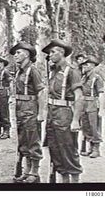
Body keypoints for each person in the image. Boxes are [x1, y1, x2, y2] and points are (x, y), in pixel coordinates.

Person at [42, 39, 84, 183]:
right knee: (55, 149)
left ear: (62, 53)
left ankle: (75, 182)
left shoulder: (72, 71)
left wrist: (75, 120)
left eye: (53, 52)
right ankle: (64, 181)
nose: (50, 55)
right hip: (52, 114)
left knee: (68, 149)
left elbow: (79, 97)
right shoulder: (52, 71)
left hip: (65, 114)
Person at [9, 42, 45, 183]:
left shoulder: (33, 71)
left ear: (27, 54)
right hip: (19, 108)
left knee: (32, 140)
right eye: (15, 53)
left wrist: (41, 113)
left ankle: (35, 173)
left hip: (30, 108)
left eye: (18, 53)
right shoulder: (19, 71)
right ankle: (27, 170)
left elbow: (41, 92)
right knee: (23, 140)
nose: (15, 56)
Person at [79, 55, 104, 158]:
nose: (84, 66)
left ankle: (96, 149)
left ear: (93, 66)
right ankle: (90, 147)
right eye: (83, 64)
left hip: (93, 103)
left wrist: (101, 109)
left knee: (94, 126)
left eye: (87, 64)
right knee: (85, 126)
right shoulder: (84, 77)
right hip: (84, 104)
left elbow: (102, 94)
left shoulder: (97, 78)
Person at [0, 55, 12, 139]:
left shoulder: (6, 72)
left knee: (4, 112)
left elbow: (11, 82)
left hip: (3, 93)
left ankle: (6, 131)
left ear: (2, 63)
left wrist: (10, 95)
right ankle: (1, 129)